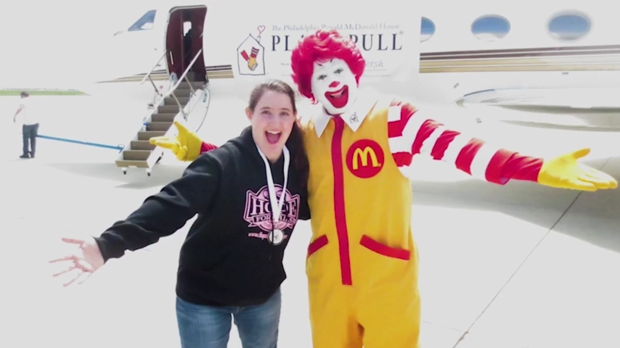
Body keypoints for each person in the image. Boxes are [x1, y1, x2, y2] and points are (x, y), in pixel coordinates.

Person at [151, 29, 618, 348]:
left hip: (385, 281)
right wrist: (203, 149)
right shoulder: (308, 132)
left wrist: (535, 167)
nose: (332, 80)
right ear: (310, 87)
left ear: (354, 71)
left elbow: (458, 148)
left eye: (338, 70)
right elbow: (262, 162)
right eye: (320, 75)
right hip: (328, 281)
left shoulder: (392, 118)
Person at [49, 79, 311, 348]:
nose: (275, 122)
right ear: (249, 115)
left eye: (284, 113)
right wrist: (108, 245)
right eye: (266, 112)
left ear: (294, 119)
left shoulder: (297, 168)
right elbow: (169, 206)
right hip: (205, 300)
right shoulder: (220, 165)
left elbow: (314, 206)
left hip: (263, 298)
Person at [13, 91, 39, 159]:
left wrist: (15, 115)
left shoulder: (24, 100)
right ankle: (33, 153)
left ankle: (26, 154)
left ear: (22, 96)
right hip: (36, 123)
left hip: (28, 123)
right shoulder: (34, 100)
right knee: (33, 139)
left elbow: (20, 108)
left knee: (25, 139)